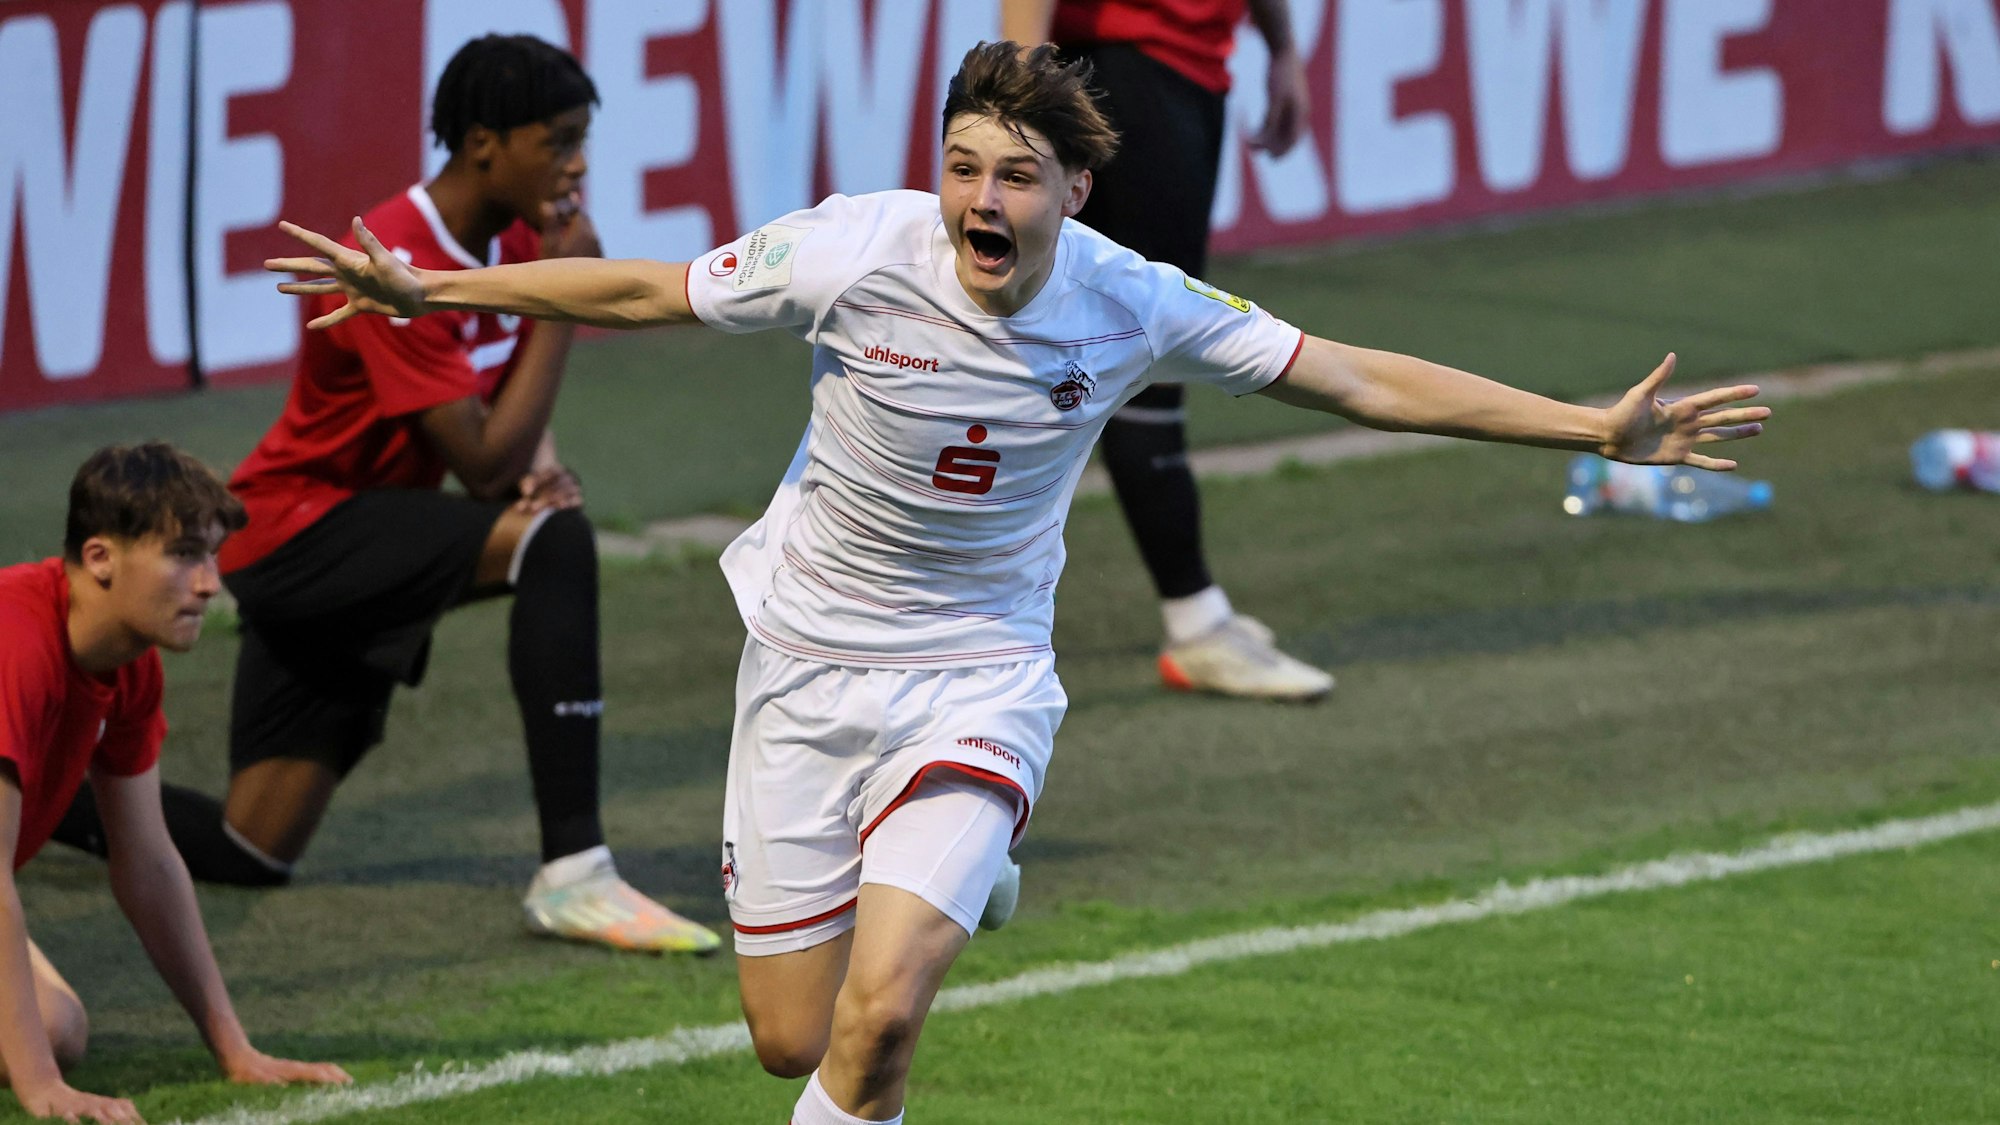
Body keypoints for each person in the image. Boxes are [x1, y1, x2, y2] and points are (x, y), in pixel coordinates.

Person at [265, 41, 1768, 1124]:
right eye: (963, 167)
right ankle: (953, 859)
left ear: (1076, 188)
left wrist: (1589, 423)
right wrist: (436, 286)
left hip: (976, 674)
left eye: (1017, 176)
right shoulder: (855, 248)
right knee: (793, 1044)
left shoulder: (1135, 297)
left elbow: (1355, 376)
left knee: (885, 1014)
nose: (981, 198)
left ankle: (959, 836)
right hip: (802, 666)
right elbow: (648, 289)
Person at [53, 34, 719, 955]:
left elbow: (500, 405)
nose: (578, 163)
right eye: (559, 139)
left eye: (582, 139)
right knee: (551, 541)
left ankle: (40, 790)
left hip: (365, 539)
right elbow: (484, 463)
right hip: (294, 535)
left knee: (254, 845)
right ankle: (576, 872)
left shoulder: (519, 238)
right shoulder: (393, 255)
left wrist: (540, 458)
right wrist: (563, 312)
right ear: (484, 142)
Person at [1, 444, 350, 1125]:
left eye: (212, 556)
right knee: (42, 1044)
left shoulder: (128, 664)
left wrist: (235, 1048)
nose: (209, 582)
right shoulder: (15, 641)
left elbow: (150, 860)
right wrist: (39, 1085)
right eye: (184, 553)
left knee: (55, 1026)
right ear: (100, 557)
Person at [1005, 0, 1333, 701]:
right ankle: (1195, 625)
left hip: (1189, 72)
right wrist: (1022, 96)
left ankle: (1196, 618)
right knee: (1133, 350)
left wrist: (1280, 48)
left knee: (1121, 348)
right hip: (1126, 73)